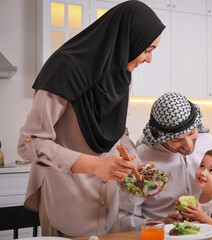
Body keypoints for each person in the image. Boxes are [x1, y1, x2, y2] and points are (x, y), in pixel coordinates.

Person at [17, 1, 165, 238]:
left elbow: (117, 133)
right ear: (127, 40)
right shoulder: (64, 69)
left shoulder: (120, 74)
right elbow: (30, 142)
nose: (148, 59)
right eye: (147, 50)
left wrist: (135, 165)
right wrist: (96, 166)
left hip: (107, 207)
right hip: (67, 201)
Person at [118, 92, 212, 231]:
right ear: (161, 136)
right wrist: (161, 223)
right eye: (177, 139)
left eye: (191, 133)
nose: (188, 145)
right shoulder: (141, 159)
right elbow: (123, 218)